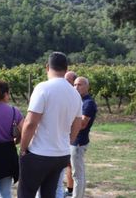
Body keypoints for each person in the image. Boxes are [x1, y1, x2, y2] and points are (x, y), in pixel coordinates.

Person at [19, 52, 82, 198]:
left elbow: (30, 123)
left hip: (39, 153)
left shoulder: (43, 88)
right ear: (66, 69)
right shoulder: (75, 94)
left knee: (26, 193)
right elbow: (77, 125)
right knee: (49, 193)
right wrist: (68, 141)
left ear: (47, 67)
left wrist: (23, 149)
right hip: (61, 154)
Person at [71, 77, 97, 198]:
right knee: (79, 173)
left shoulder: (88, 103)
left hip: (78, 142)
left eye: (79, 85)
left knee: (77, 174)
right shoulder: (79, 101)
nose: (76, 87)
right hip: (75, 141)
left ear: (87, 86)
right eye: (75, 85)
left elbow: (82, 124)